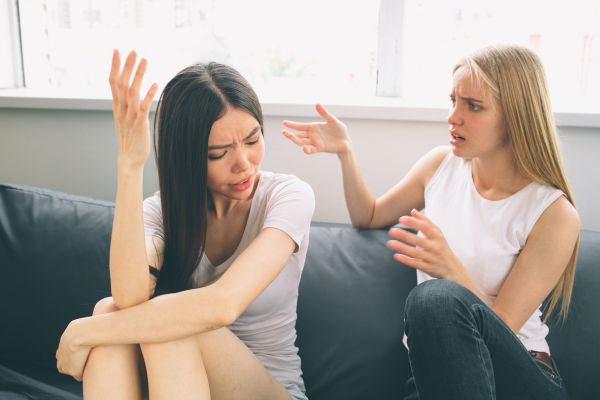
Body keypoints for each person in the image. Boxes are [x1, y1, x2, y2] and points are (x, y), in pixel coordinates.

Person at [282, 45, 579, 400]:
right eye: (453, 101)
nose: (454, 117)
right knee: (433, 302)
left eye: (473, 106)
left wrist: (451, 270)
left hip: (522, 376)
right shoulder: (440, 167)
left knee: (433, 298)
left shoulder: (554, 213)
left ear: (515, 116)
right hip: (439, 379)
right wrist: (346, 152)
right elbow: (369, 215)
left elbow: (504, 327)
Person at [56, 49, 314, 400]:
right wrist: (129, 164)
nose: (243, 163)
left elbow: (224, 305)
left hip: (270, 390)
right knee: (112, 311)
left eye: (253, 140)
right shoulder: (162, 210)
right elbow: (128, 298)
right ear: (188, 157)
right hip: (181, 386)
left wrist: (83, 332)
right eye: (218, 154)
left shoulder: (288, 197)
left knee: (165, 325)